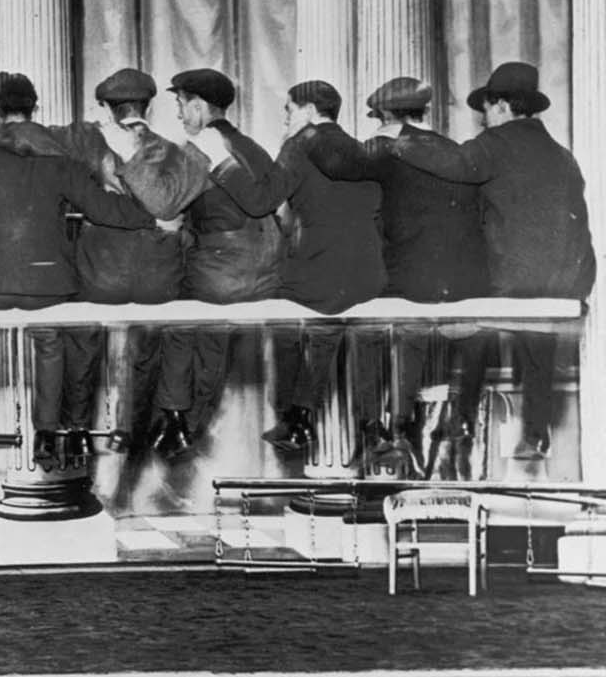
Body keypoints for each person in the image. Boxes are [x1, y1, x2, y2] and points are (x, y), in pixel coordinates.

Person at [382, 62, 595, 458]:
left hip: (509, 280)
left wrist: (399, 139)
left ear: (499, 106)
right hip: (562, 280)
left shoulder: (495, 144)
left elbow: (451, 165)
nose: (484, 119)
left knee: (470, 322)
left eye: (486, 110)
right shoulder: (562, 155)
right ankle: (535, 431)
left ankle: (460, 417)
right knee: (538, 345)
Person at [0, 72, 156, 464]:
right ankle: (45, 434)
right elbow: (102, 209)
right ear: (35, 108)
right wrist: (151, 215)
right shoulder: (60, 158)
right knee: (49, 344)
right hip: (45, 280)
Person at [195, 81, 386, 459]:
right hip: (368, 271)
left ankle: (295, 416)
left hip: (318, 270)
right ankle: (367, 425)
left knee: (283, 317)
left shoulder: (298, 146)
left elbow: (260, 201)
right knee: (342, 332)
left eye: (288, 110)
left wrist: (220, 163)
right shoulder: (361, 148)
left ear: (309, 110)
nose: (284, 118)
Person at [44, 68, 208, 458]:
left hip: (100, 269)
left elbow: (34, 140)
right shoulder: (171, 150)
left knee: (82, 347)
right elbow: (173, 208)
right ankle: (133, 432)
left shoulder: (82, 140)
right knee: (147, 352)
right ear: (148, 108)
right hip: (157, 272)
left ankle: (78, 428)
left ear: (105, 106)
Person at [330, 78, 488, 472]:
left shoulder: (377, 151)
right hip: (457, 285)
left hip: (398, 275)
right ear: (422, 113)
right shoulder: (453, 151)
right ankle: (403, 430)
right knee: (411, 336)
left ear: (384, 115)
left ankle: (373, 433)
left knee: (363, 334)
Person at [150, 68, 283, 460]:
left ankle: (177, 419)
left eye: (180, 105)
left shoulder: (199, 148)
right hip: (266, 268)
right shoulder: (249, 144)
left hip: (224, 272)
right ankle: (188, 424)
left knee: (179, 323)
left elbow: (166, 206)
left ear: (197, 106)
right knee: (209, 336)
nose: (178, 114)